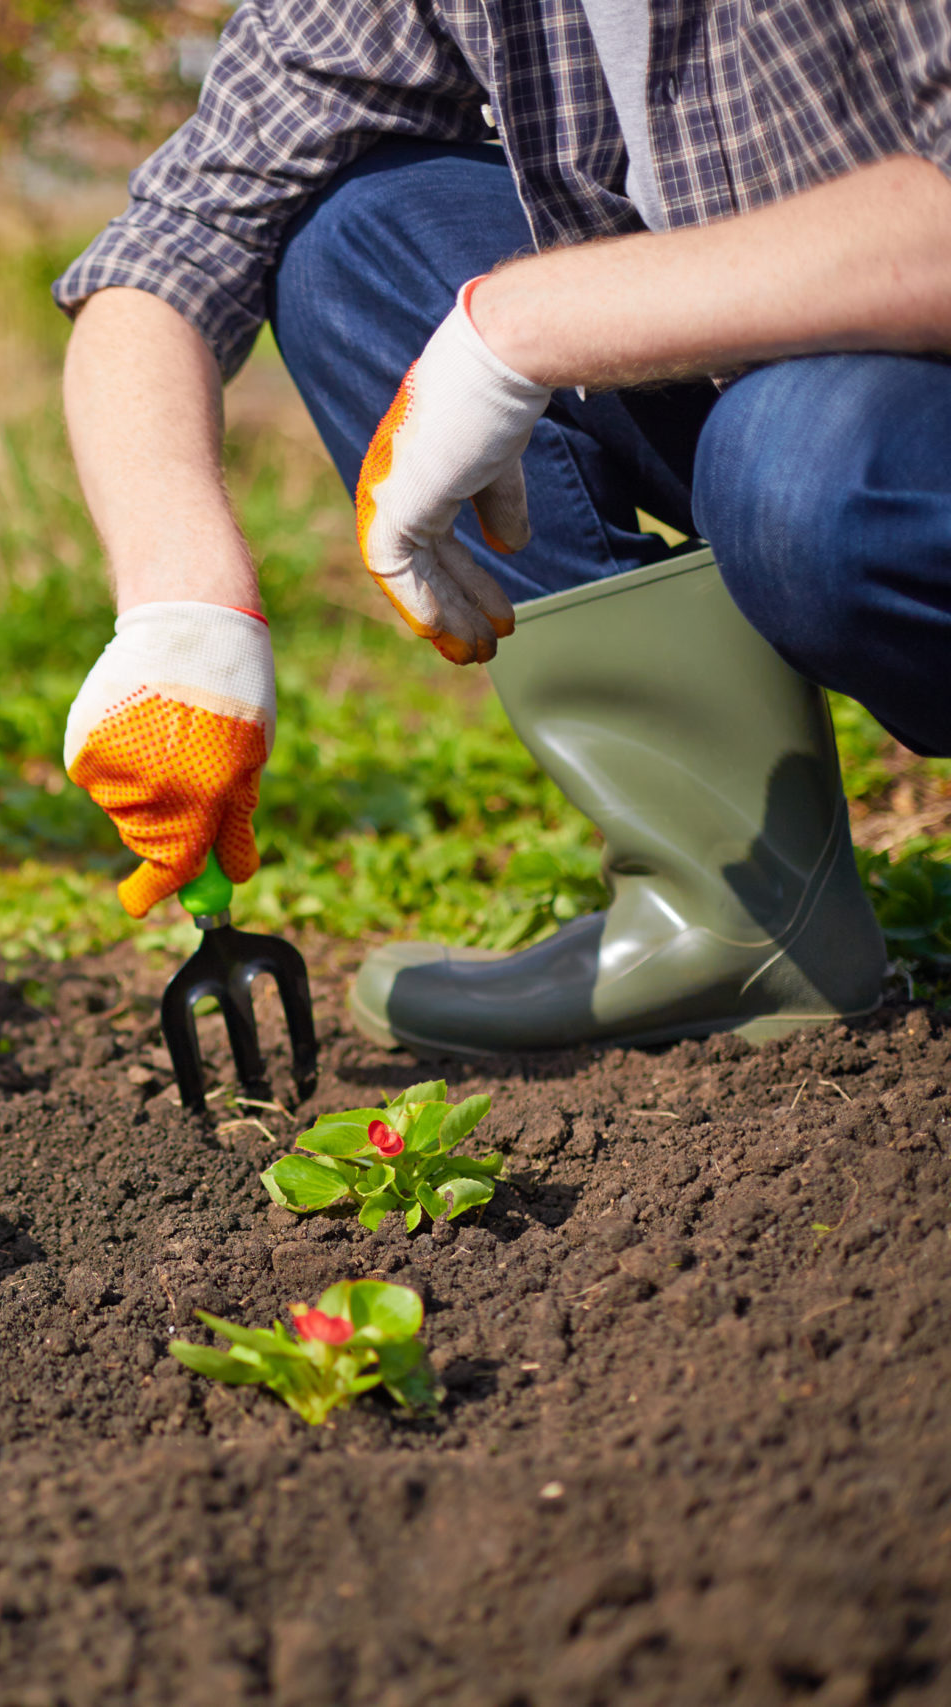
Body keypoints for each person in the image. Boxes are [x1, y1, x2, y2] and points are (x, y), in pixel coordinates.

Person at [54, 0, 951, 1056]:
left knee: (799, 468)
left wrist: (518, 328)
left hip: (888, 421)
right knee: (356, 240)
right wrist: (181, 606)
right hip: (765, 375)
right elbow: (181, 239)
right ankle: (737, 918)